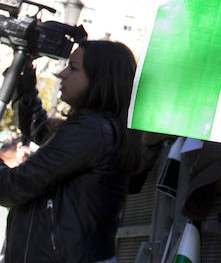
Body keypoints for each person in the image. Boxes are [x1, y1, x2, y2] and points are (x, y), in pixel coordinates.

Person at [0, 41, 144, 262]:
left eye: (74, 68)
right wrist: (25, 74)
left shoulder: (91, 131)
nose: (61, 74)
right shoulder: (96, 128)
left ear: (100, 78)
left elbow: (14, 186)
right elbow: (37, 129)